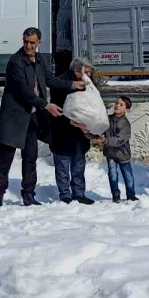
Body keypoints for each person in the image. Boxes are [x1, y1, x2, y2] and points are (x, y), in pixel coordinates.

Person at [0, 27, 64, 208]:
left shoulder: (40, 60)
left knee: (30, 157)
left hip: (31, 116)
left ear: (39, 43)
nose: (28, 46)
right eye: (26, 42)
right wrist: (46, 105)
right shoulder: (15, 62)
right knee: (6, 156)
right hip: (14, 115)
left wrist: (72, 84)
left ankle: (28, 193)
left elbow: (50, 80)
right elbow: (23, 90)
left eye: (32, 43)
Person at [47, 59, 96, 205]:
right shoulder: (62, 82)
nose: (88, 76)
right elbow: (61, 107)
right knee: (62, 165)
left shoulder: (88, 83)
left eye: (89, 73)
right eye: (85, 73)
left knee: (79, 164)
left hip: (80, 133)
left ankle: (79, 193)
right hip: (62, 129)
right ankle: (65, 195)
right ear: (76, 71)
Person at [101, 96, 135, 202]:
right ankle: (115, 194)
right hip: (110, 153)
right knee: (112, 175)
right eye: (116, 103)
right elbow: (100, 129)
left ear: (127, 110)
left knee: (127, 175)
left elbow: (120, 139)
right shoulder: (107, 119)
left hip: (122, 154)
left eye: (121, 105)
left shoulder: (125, 124)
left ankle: (131, 195)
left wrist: (106, 141)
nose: (117, 106)